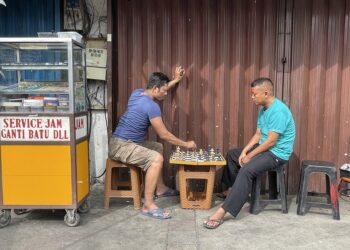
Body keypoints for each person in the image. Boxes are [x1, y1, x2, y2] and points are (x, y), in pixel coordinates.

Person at [203, 77, 295, 229]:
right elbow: (259, 134)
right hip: (265, 147)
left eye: (254, 94)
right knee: (233, 155)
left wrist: (249, 157)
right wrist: (244, 151)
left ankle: (222, 212)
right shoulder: (263, 109)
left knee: (246, 169)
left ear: (266, 93)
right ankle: (233, 191)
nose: (252, 97)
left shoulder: (278, 111)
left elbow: (271, 142)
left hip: (277, 153)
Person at [109, 66, 197, 220]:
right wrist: (186, 144)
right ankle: (148, 205)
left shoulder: (137, 94)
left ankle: (160, 188)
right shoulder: (152, 106)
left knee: (157, 147)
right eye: (164, 90)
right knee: (156, 159)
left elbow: (161, 88)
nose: (166, 92)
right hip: (122, 147)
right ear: (155, 89)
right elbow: (164, 134)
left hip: (121, 143)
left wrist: (175, 80)